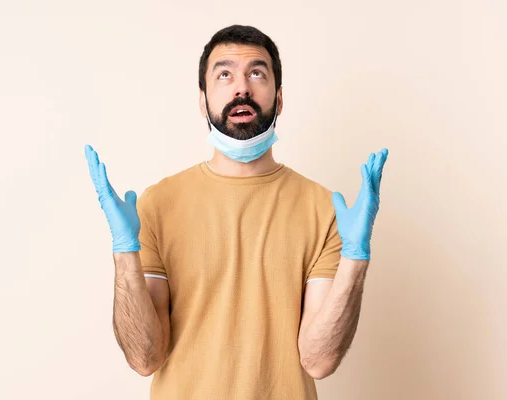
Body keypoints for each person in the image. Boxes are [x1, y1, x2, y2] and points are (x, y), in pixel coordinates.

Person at [85, 24, 388, 400]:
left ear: (278, 99)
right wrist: (124, 253)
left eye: (256, 73)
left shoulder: (323, 209)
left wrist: (355, 259)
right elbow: (144, 357)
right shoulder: (157, 204)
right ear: (203, 100)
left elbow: (318, 361)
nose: (241, 87)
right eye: (224, 74)